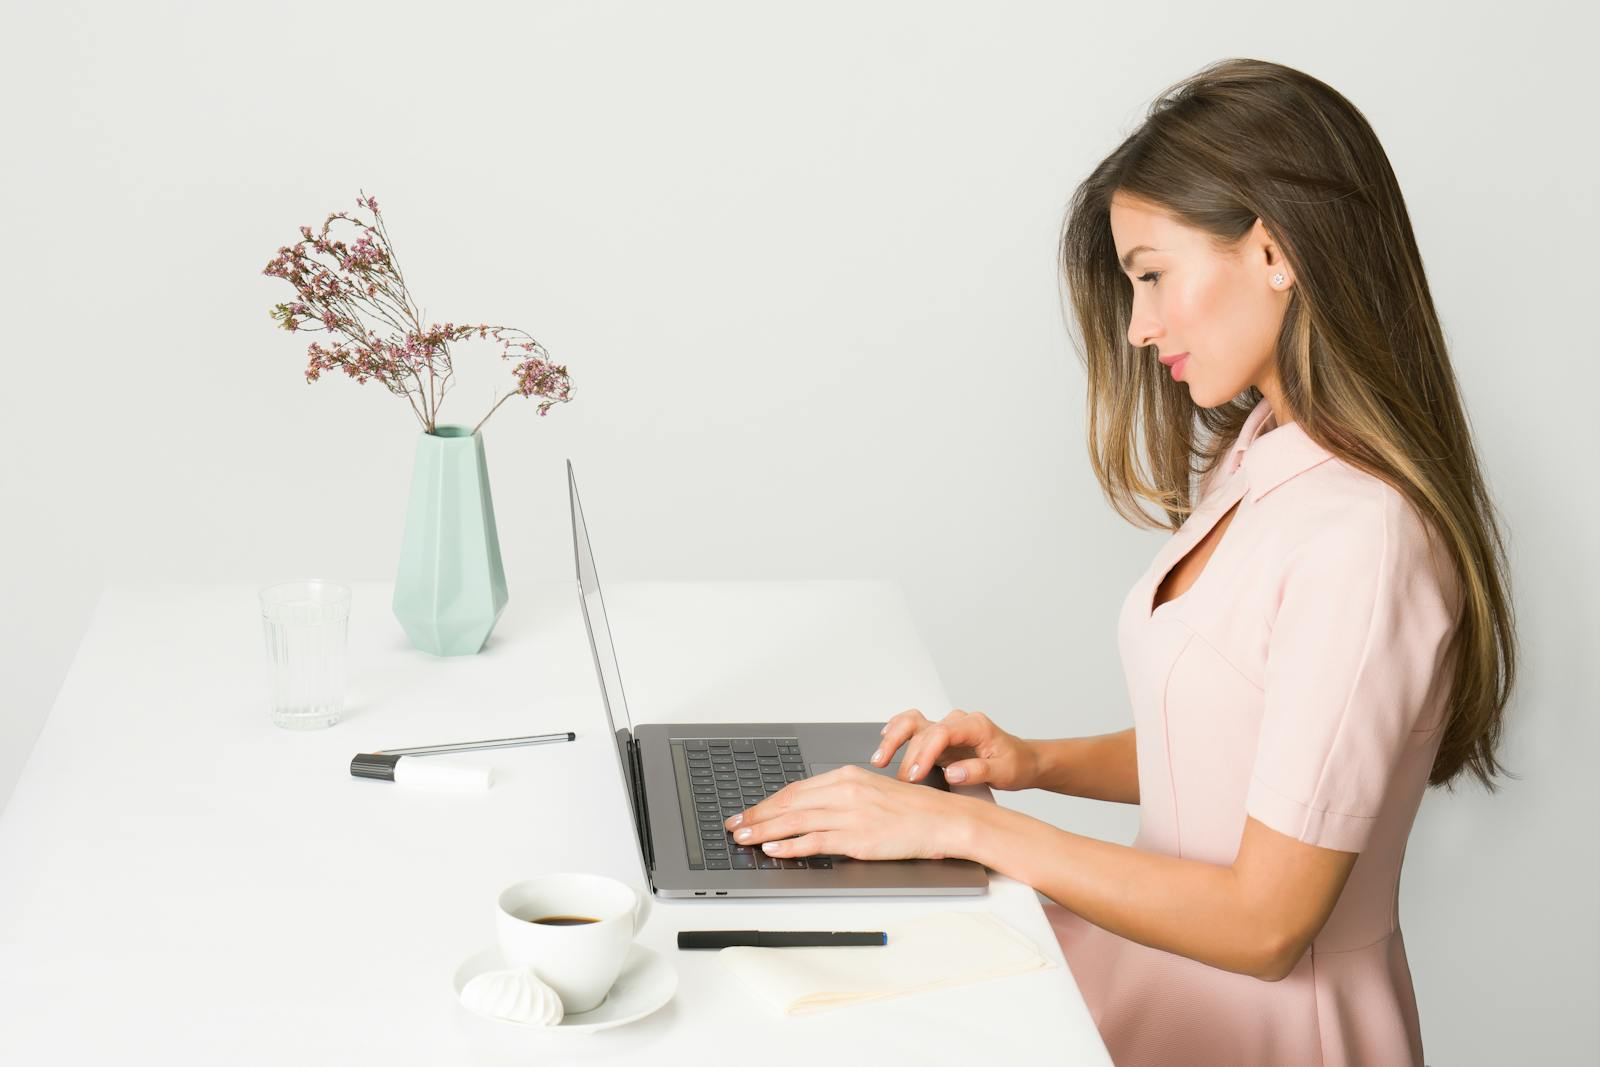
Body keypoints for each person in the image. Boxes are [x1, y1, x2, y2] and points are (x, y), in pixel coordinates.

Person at [722, 57, 1516, 1065]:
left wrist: (971, 831)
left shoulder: (1363, 538)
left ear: (1272, 250)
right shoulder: (1261, 455)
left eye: (1151, 274)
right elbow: (1239, 748)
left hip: (1271, 1027)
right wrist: (1029, 760)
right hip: (1156, 978)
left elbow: (1266, 925)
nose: (1138, 327)